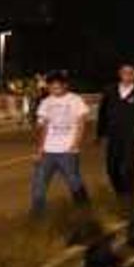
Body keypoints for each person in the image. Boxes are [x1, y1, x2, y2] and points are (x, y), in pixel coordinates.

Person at [31, 70, 91, 217]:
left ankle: (85, 213)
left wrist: (75, 144)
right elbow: (42, 127)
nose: (54, 90)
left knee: (74, 183)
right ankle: (38, 218)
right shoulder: (46, 102)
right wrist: (39, 149)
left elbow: (81, 123)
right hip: (47, 151)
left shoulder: (75, 100)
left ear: (65, 86)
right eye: (51, 87)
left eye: (57, 87)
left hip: (67, 151)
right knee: (38, 187)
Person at [97, 64, 134, 213]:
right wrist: (100, 134)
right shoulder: (109, 90)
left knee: (128, 169)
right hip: (113, 136)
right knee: (111, 169)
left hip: (132, 137)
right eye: (124, 72)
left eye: (130, 72)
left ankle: (129, 202)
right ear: (120, 74)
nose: (127, 75)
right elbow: (102, 113)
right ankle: (121, 194)